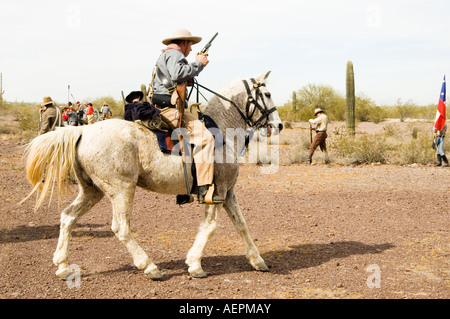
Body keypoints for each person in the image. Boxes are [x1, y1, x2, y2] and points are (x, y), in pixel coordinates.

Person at [150, 28, 223, 204]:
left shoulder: (167, 55)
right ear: (183, 43)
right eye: (190, 45)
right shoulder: (175, 54)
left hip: (162, 105)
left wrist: (194, 67)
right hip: (170, 109)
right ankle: (204, 190)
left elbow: (177, 76)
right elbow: (178, 74)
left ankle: (184, 188)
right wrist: (199, 63)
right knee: (206, 139)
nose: (190, 50)